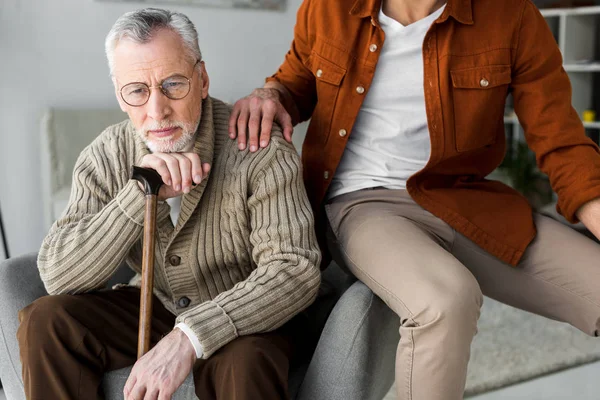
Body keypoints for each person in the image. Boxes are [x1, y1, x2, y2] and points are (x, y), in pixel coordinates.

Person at [229, 0, 600, 398]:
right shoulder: (327, 8)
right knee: (445, 301)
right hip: (361, 204)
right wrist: (268, 94)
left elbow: (562, 142)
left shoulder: (512, 15)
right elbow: (293, 84)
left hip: (464, 201)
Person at [17, 8, 321, 400]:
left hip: (252, 316)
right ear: (119, 95)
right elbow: (58, 277)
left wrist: (190, 335)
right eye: (137, 91)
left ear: (202, 79)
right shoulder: (106, 155)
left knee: (242, 363)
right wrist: (138, 194)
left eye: (173, 84)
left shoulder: (260, 151)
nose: (156, 110)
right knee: (47, 321)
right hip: (159, 302)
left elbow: (294, 268)